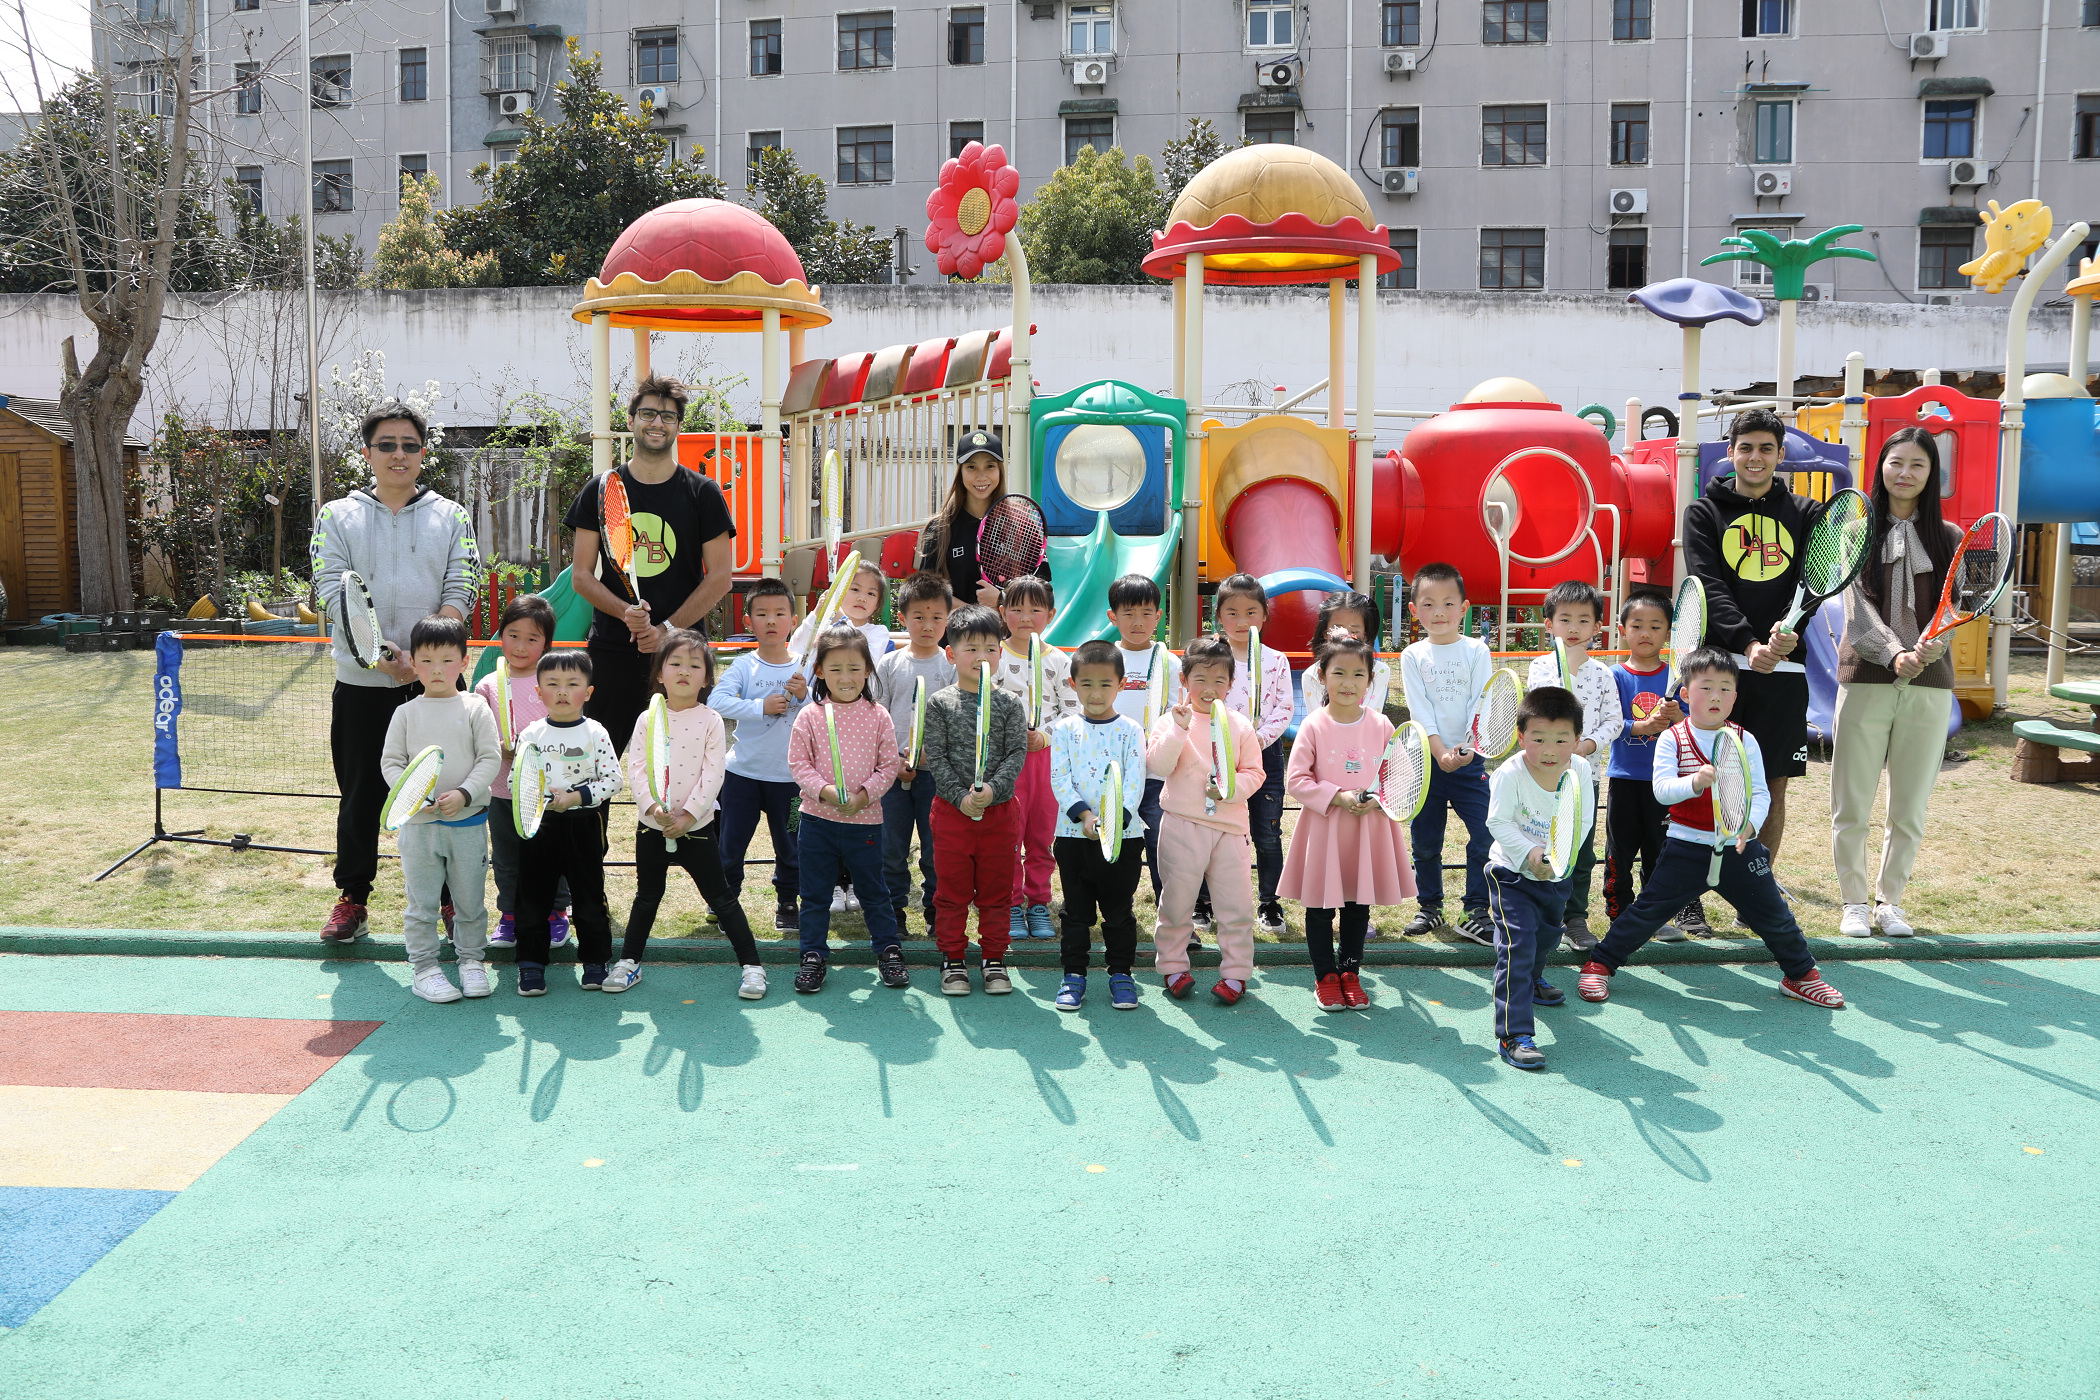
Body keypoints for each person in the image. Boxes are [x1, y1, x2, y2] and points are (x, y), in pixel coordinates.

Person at [1576, 649, 1846, 1010]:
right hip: (1685, 848)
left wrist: (1750, 826)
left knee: (1776, 918)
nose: (1716, 696)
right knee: (1646, 913)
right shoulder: (1673, 738)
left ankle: (1801, 975)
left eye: (1725, 688)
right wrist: (1695, 782)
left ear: (1736, 696)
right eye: (1706, 687)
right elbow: (1662, 790)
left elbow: (1760, 793)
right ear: (1685, 694)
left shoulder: (1745, 739)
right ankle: (1600, 964)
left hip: (1740, 850)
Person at [311, 400, 481, 943]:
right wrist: (385, 656)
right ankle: (353, 900)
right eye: (387, 445)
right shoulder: (336, 516)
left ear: (423, 453)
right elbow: (331, 590)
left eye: (409, 445)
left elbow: (462, 586)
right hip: (361, 686)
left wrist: (426, 661)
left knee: (445, 792)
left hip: (436, 689)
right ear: (368, 453)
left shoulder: (452, 516)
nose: (398, 454)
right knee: (360, 796)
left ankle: (452, 902)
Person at [1830, 428, 1961, 939]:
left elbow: (1957, 605)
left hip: (1930, 685)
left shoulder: (1950, 536)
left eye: (1917, 465)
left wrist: (1931, 647)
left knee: (1909, 806)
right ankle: (1853, 902)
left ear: (1931, 475)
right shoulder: (1854, 532)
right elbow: (1856, 608)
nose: (1905, 473)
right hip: (1865, 679)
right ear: (1881, 467)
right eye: (1896, 462)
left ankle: (1891, 902)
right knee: (1852, 802)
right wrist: (1893, 653)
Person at [564, 375, 737, 755]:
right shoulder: (600, 489)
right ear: (631, 420)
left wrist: (666, 630)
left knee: (686, 767)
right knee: (596, 763)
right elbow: (581, 576)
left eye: (668, 416)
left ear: (678, 425)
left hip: (683, 653)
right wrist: (626, 613)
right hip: (613, 648)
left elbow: (721, 578)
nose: (657, 423)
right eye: (647, 414)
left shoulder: (703, 493)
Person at [1683, 407, 1817, 866]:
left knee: (1772, 784)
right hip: (1718, 668)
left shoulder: (1806, 513)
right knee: (1704, 777)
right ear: (1731, 452)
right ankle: (1694, 886)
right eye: (1746, 448)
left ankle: (1760, 884)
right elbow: (1707, 584)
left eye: (1765, 448)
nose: (1755, 457)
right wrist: (1748, 643)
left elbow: (1814, 582)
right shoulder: (1703, 513)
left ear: (1780, 454)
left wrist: (1787, 634)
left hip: (1783, 669)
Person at [612, 629, 766, 998]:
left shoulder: (711, 719)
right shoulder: (648, 718)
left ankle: (752, 967)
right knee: (647, 897)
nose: (684, 671)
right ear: (659, 673)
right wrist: (653, 808)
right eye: (676, 663)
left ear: (707, 678)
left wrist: (688, 817)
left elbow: (713, 773)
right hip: (651, 827)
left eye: (695, 665)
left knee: (722, 898)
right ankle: (629, 963)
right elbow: (637, 768)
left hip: (697, 828)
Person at [1282, 632, 1416, 1012]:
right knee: (1320, 908)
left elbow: (1401, 776)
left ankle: (1350, 973)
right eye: (1339, 673)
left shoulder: (1382, 725)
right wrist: (1338, 796)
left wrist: (1377, 801)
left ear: (1370, 680)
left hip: (1368, 831)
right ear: (1322, 676)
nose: (1348, 682)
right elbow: (1296, 780)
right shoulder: (1313, 725)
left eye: (1358, 674)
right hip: (1325, 831)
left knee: (1358, 906)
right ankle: (1325, 977)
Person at [378, 616, 501, 1004]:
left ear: (464, 662)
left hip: (468, 824)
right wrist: (414, 795)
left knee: (470, 901)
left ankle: (472, 961)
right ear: (413, 663)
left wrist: (465, 793)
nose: (437, 670)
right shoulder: (405, 713)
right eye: (427, 661)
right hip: (418, 827)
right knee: (422, 903)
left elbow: (489, 758)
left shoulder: (475, 707)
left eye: (447, 661)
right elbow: (391, 763)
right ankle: (424, 969)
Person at [917, 604, 1032, 995]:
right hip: (952, 815)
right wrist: (961, 797)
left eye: (990, 649)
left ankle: (994, 958)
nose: (982, 657)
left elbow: (1016, 753)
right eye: (971, 649)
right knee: (951, 892)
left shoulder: (1010, 703)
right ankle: (952, 958)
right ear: (951, 653)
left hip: (1000, 814)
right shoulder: (940, 703)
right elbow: (937, 755)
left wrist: (993, 790)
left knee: (997, 892)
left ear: (1001, 653)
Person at [1148, 636, 1267, 1005]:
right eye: (1200, 679)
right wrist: (1178, 729)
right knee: (1177, 902)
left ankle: (1236, 973)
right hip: (1181, 824)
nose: (1209, 688)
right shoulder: (1171, 720)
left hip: (1230, 830)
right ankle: (1172, 965)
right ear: (1184, 680)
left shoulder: (1240, 725)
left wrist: (1228, 790)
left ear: (1231, 684)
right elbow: (1158, 765)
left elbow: (1255, 773)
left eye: (1219, 680)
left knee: (1235, 906)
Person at [785, 628, 905, 993]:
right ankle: (812, 955)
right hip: (817, 821)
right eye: (836, 669)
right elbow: (799, 764)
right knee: (815, 894)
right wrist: (823, 791)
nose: (846, 677)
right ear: (820, 671)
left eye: (854, 668)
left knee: (874, 891)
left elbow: (889, 765)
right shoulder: (810, 715)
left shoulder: (878, 716)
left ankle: (888, 950)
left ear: (868, 669)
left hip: (865, 823)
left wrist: (864, 796)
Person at [1482, 686, 1594, 1071]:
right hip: (1511, 874)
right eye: (1539, 738)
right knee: (1517, 947)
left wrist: (1557, 858)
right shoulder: (1509, 774)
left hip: (1556, 873)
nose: (1550, 750)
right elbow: (1498, 822)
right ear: (1521, 737)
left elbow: (1583, 821)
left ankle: (1532, 979)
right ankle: (1513, 1034)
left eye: (1561, 739)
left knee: (1547, 937)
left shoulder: (1580, 770)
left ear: (1577, 740)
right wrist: (1531, 854)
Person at [510, 651, 623, 996]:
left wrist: (575, 797)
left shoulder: (595, 732)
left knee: (589, 896)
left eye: (572, 684)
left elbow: (613, 780)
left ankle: (595, 961)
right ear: (538, 692)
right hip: (539, 825)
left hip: (583, 824)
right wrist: (543, 798)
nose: (562, 691)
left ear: (588, 692)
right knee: (532, 896)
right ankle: (531, 964)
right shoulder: (531, 733)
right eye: (552, 684)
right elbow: (516, 780)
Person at [1048, 640, 1149, 1012]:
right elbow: (1060, 779)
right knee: (1076, 913)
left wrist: (1112, 821)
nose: (1096, 693)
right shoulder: (1064, 730)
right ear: (1073, 684)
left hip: (1123, 839)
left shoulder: (1131, 730)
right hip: (1073, 837)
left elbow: (1134, 782)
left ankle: (1121, 974)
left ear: (1121, 684)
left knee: (1118, 912)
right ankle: (1073, 975)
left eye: (1105, 684)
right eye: (1087, 683)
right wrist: (1086, 817)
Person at [1398, 563, 1496, 945]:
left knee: (1486, 833)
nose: (1438, 612)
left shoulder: (1477, 650)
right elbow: (1419, 709)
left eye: (1448, 603)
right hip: (1427, 763)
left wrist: (1466, 749)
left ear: (1464, 608)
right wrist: (1439, 752)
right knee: (1425, 841)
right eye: (1428, 604)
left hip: (1471, 762)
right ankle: (1430, 907)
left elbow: (1481, 703)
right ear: (1414, 610)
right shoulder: (1412, 655)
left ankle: (1475, 910)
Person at [1601, 590, 1707, 940]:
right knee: (1620, 850)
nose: (1646, 633)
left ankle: (1653, 915)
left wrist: (1677, 716)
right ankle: (1619, 914)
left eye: (1655, 626)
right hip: (1625, 779)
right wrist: (1642, 727)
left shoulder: (1678, 678)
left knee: (1659, 850)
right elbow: (1609, 723)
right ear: (1622, 630)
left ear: (1668, 634)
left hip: (1666, 782)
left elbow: (1694, 726)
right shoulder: (1614, 675)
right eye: (1637, 626)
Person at [1522, 580, 1622, 950]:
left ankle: (1575, 917)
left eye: (1584, 619)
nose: (1574, 627)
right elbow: (1533, 718)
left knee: (1580, 848)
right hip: (1542, 776)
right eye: (1565, 619)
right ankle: (1537, 912)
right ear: (1549, 624)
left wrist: (1587, 744)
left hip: (1584, 777)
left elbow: (1614, 721)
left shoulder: (1603, 673)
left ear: (1598, 626)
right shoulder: (1539, 667)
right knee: (1540, 842)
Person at [474, 595, 573, 952]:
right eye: (513, 635)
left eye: (532, 639)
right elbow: (478, 735)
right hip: (502, 790)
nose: (520, 646)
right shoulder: (488, 685)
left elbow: (569, 728)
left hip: (549, 791)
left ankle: (556, 913)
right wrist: (498, 748)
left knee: (551, 854)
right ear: (500, 635)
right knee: (507, 856)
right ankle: (510, 915)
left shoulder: (554, 682)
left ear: (546, 643)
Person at [710, 577, 809, 932]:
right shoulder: (743, 666)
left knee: (792, 846)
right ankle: (725, 902)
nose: (771, 621)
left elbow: (824, 712)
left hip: (791, 779)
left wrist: (804, 697)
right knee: (730, 846)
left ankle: (788, 902)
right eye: (762, 613)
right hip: (742, 776)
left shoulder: (805, 667)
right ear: (748, 621)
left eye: (780, 613)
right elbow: (716, 701)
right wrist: (760, 707)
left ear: (793, 621)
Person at [992, 575, 1079, 940]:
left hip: (1047, 761)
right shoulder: (993, 655)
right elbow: (984, 704)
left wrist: (1043, 736)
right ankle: (1011, 903)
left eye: (1035, 610)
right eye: (1016, 609)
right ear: (1002, 612)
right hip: (1005, 762)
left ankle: (1039, 902)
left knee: (1041, 836)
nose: (1025, 617)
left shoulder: (1059, 661)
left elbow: (1072, 712)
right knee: (1008, 836)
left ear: (1050, 614)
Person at [1209, 573, 1294, 936]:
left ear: (1264, 615)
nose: (1241, 621)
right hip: (1216, 754)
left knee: (1267, 831)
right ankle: (1204, 902)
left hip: (1264, 756)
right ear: (1218, 616)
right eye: (1232, 613)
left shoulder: (1275, 660)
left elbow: (1284, 708)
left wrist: (1255, 740)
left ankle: (1269, 902)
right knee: (1213, 829)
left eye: (1250, 612)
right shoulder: (1211, 657)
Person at [876, 572, 957, 934]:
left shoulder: (951, 666)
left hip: (936, 776)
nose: (928, 625)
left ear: (948, 619)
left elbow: (956, 720)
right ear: (902, 618)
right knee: (891, 848)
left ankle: (937, 912)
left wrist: (930, 756)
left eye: (937, 617)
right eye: (919, 617)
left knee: (935, 849)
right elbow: (876, 717)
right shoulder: (889, 664)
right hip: (892, 775)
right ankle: (893, 911)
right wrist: (893, 760)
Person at [1104, 573, 1173, 900]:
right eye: (1128, 613)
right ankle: (1117, 907)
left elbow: (1176, 713)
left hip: (1157, 774)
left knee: (1160, 839)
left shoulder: (1169, 662)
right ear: (1113, 617)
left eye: (1146, 613)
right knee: (1117, 839)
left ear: (1158, 616)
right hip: (1114, 772)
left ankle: (1168, 908)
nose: (1138, 622)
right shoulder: (1104, 659)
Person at [916, 430, 1013, 609]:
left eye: (990, 466)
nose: (981, 476)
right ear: (960, 472)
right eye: (971, 467)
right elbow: (926, 591)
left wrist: (1002, 599)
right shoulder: (940, 528)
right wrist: (974, 615)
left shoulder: (1020, 525)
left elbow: (1041, 592)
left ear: (1000, 470)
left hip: (1005, 628)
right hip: (955, 627)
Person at [1299, 591, 1392, 715]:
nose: (1346, 636)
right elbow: (1316, 720)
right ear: (1325, 633)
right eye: (1338, 629)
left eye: (1354, 631)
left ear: (1365, 635)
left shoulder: (1380, 672)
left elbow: (1372, 717)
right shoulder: (1311, 676)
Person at [789, 557, 894, 663]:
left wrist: (842, 621)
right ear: (839, 592)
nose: (862, 598)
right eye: (855, 589)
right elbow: (795, 651)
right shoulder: (823, 628)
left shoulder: (877, 632)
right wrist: (816, 613)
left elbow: (867, 664)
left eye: (871, 593)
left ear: (877, 604)